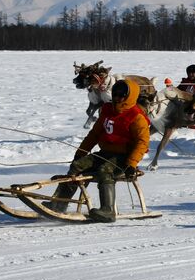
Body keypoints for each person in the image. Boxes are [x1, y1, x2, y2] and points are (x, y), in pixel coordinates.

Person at [56, 79, 151, 222]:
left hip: (123, 158)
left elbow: (142, 143)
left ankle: (107, 210)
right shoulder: (107, 110)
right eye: (115, 94)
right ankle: (58, 205)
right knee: (77, 166)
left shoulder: (136, 117)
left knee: (105, 170)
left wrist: (131, 164)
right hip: (105, 153)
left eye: (121, 95)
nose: (117, 98)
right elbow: (94, 134)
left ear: (129, 97)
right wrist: (81, 152)